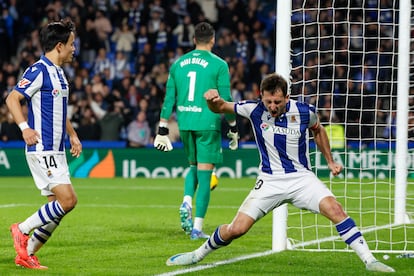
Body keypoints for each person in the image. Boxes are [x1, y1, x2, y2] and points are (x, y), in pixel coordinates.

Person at [165, 73, 395, 273]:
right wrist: (212, 100)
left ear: (287, 97)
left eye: (277, 102)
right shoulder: (254, 109)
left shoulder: (305, 112)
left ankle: (369, 260)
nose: (272, 107)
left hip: (302, 179)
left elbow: (319, 131)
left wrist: (330, 161)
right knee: (237, 229)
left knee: (335, 209)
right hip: (269, 181)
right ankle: (197, 255)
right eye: (268, 101)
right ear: (261, 96)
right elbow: (221, 107)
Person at [5, 19, 82, 270]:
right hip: (42, 148)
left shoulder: (59, 73)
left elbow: (59, 109)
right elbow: (12, 99)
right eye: (71, 44)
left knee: (57, 208)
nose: (74, 49)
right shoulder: (38, 70)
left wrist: (72, 134)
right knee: (68, 201)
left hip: (57, 148)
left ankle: (26, 254)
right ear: (59, 46)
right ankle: (21, 229)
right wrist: (25, 128)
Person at [154, 22, 239, 240]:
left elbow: (169, 98)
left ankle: (185, 201)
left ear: (194, 40)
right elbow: (226, 99)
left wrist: (162, 127)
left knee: (192, 167)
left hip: (185, 123)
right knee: (205, 172)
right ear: (212, 40)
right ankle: (197, 228)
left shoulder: (178, 64)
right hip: (207, 123)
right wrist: (232, 125)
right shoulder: (219, 65)